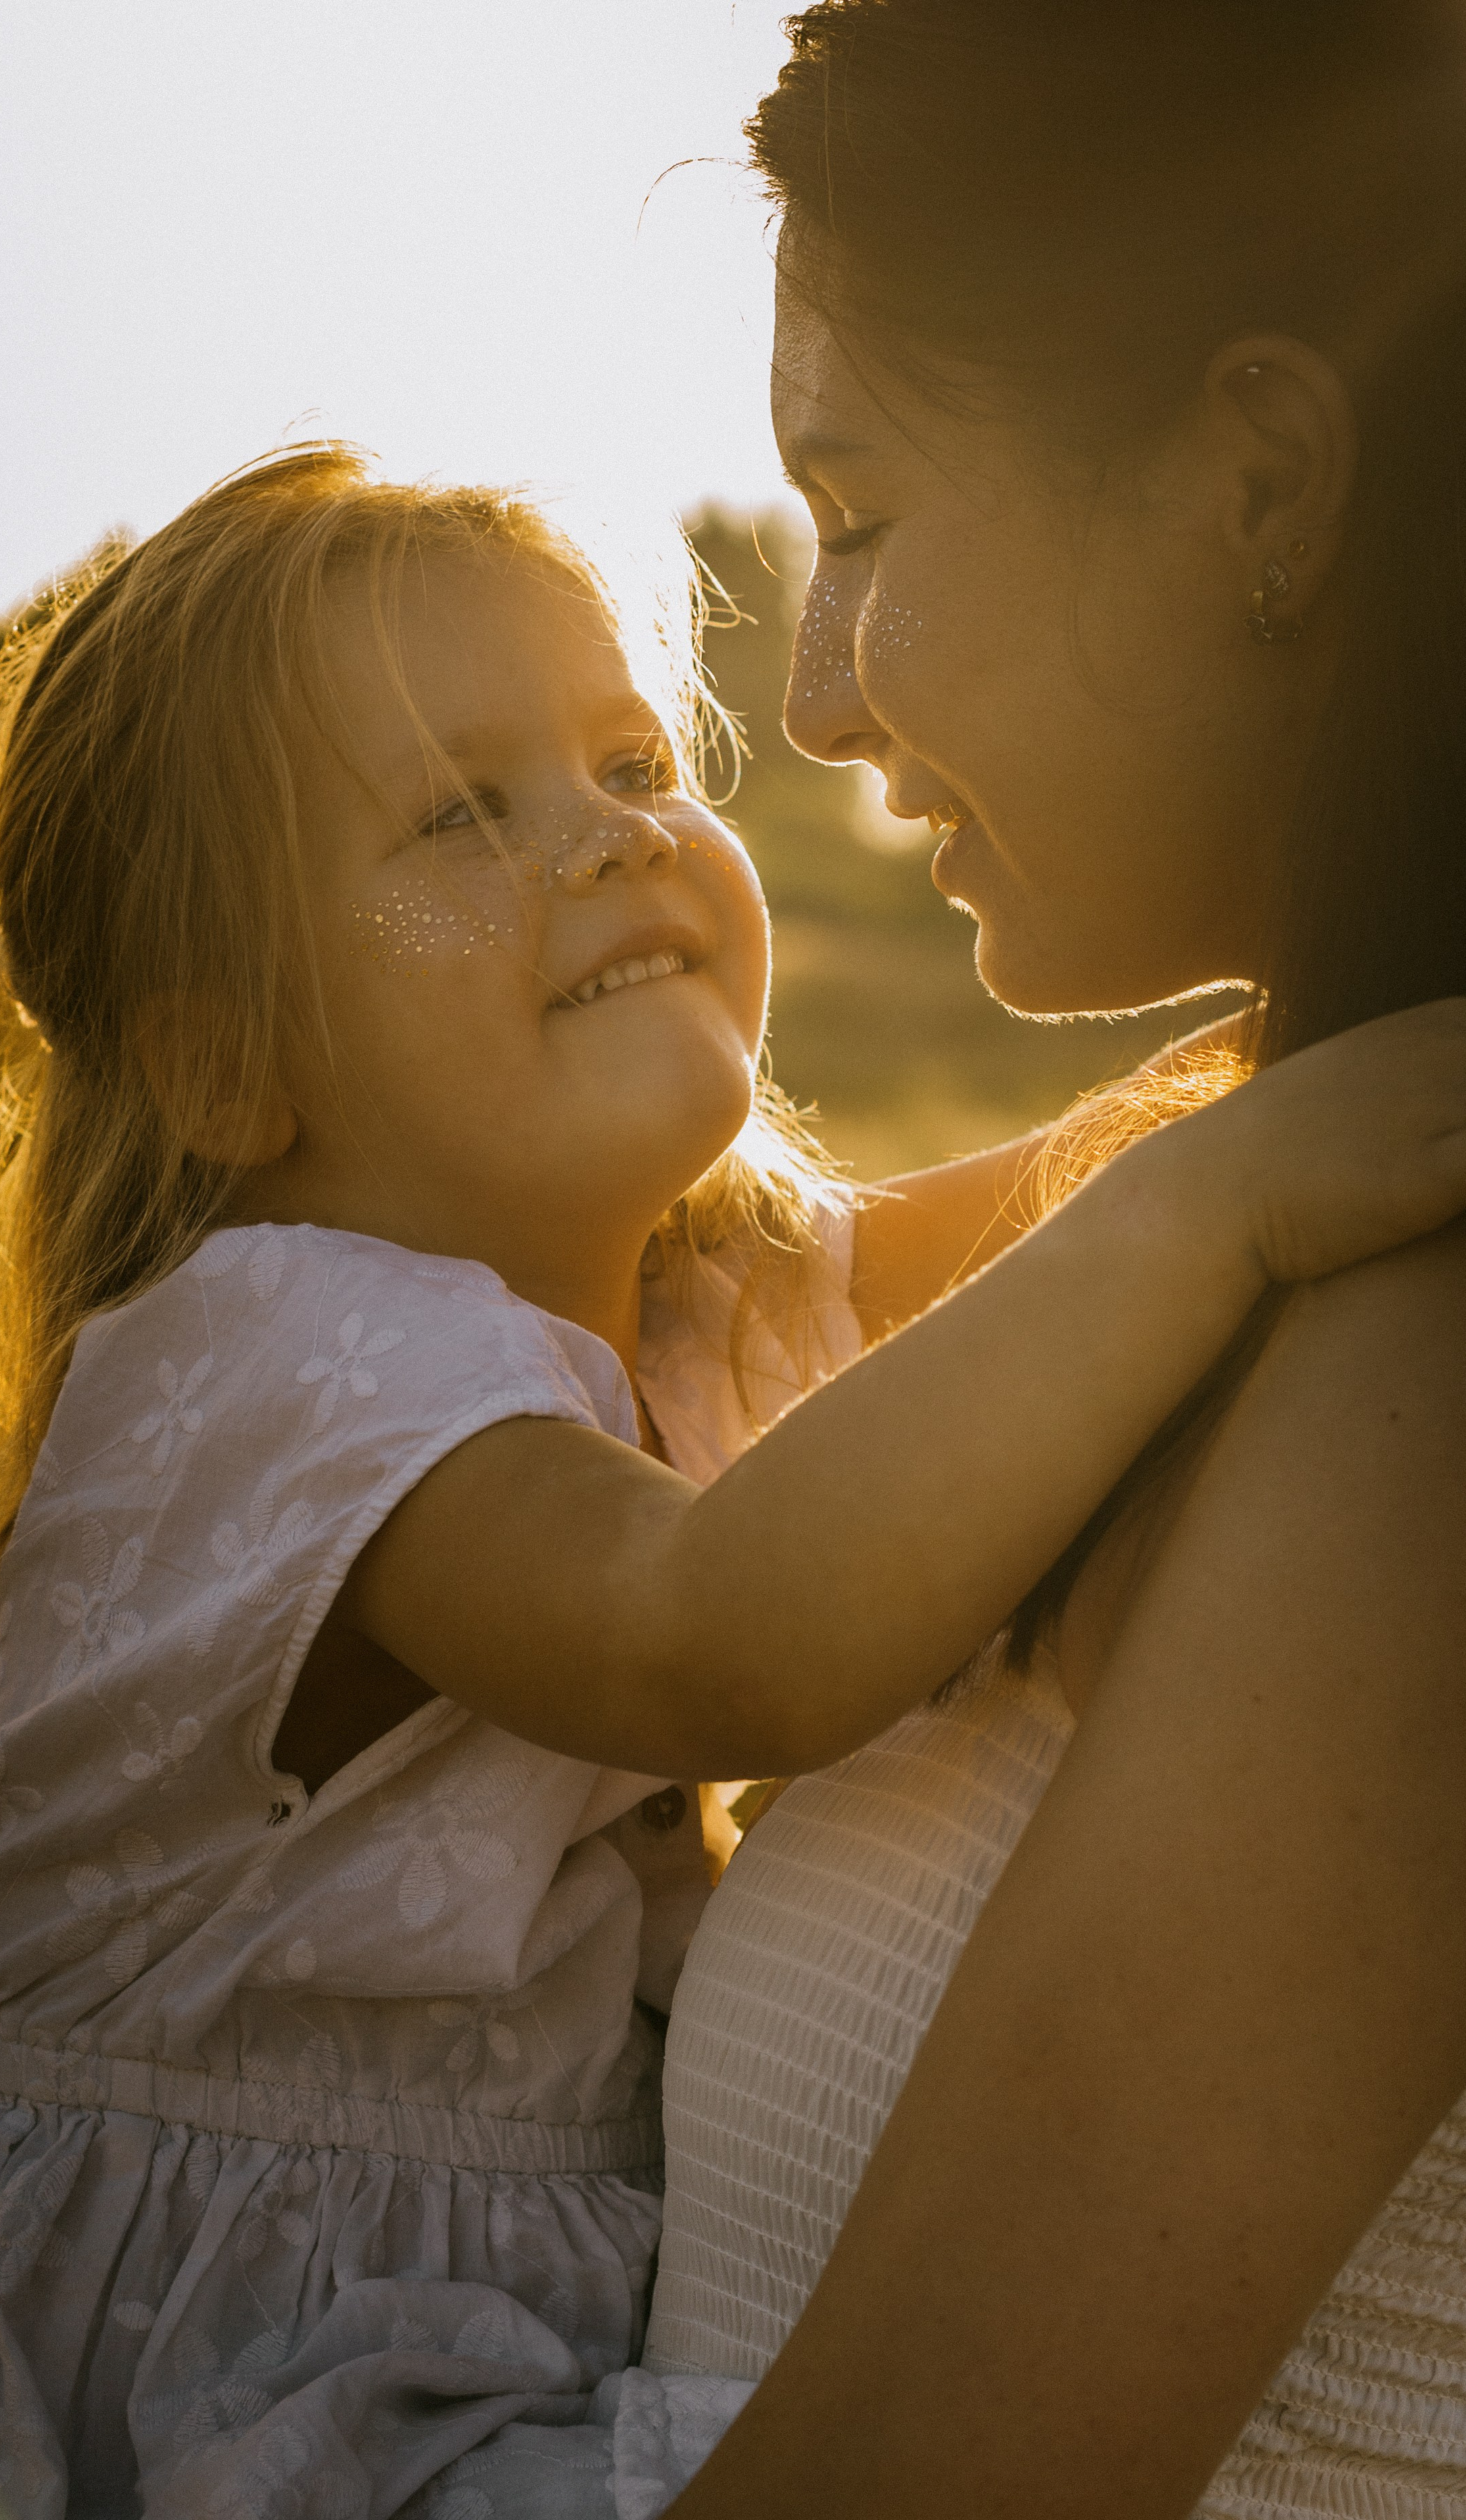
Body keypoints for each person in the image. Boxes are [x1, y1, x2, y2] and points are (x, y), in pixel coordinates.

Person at [0, 441, 1465, 2520]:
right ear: (230, 1065)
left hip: (435, 2337)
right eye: (460, 814)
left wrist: (1336, 1039)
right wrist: (1235, 1198)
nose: (607, 844)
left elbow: (1068, 1204)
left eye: (632, 763)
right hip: (198, 2377)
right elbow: (716, 1640)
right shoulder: (267, 1350)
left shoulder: (684, 1285)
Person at [574, 5, 1466, 2517]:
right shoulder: (1218, 1173)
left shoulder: (1425, 1349)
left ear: (1267, 479)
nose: (816, 690)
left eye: (854, 517)